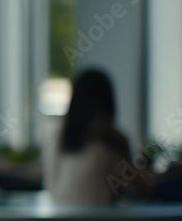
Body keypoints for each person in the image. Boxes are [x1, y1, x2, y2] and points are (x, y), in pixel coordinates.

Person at [44, 69, 134, 203]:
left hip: (59, 216)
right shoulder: (113, 140)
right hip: (98, 218)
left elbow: (51, 184)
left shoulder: (57, 133)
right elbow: (129, 184)